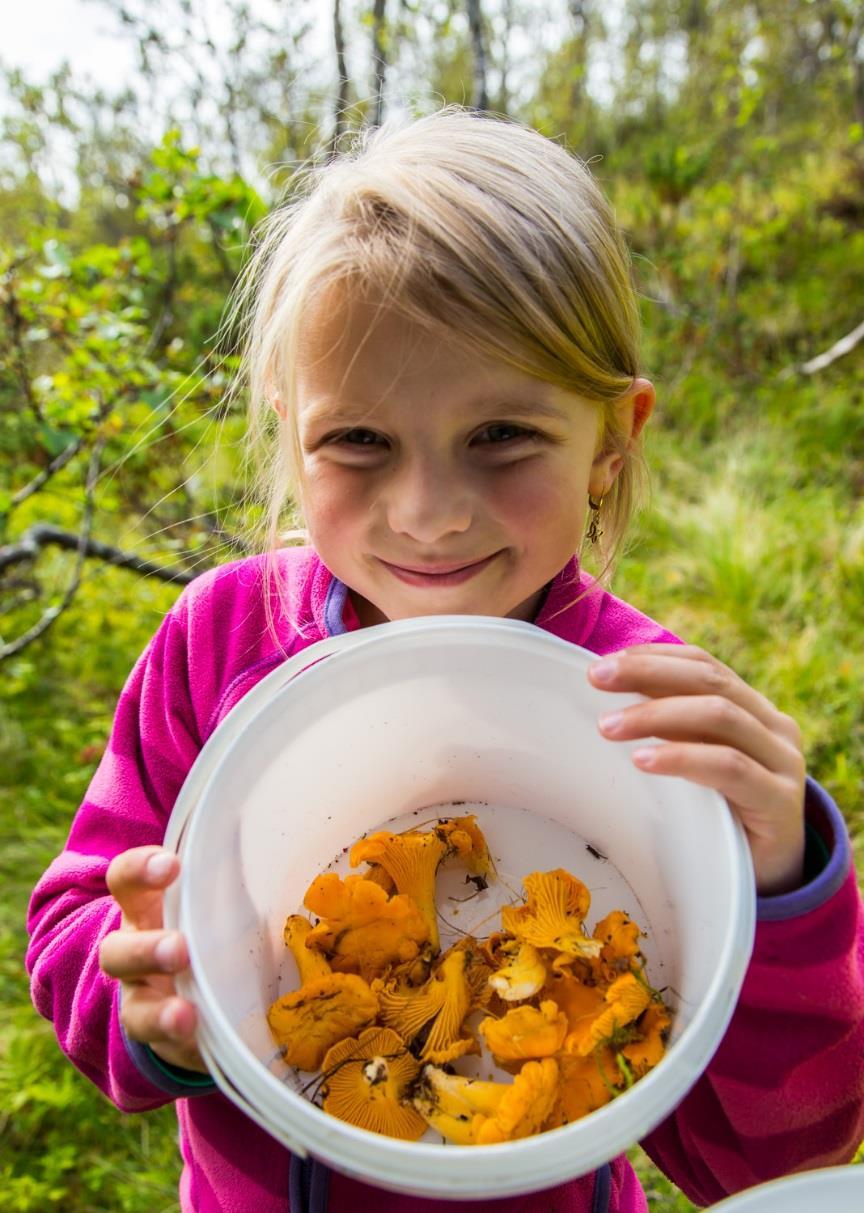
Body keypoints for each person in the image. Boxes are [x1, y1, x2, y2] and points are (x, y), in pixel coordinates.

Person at [27, 108, 864, 1213]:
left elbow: (771, 1161)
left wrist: (784, 881)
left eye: (502, 436)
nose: (425, 516)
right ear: (291, 428)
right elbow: (77, 918)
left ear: (612, 442)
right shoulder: (218, 642)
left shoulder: (651, 715)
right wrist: (148, 1007)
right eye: (359, 441)